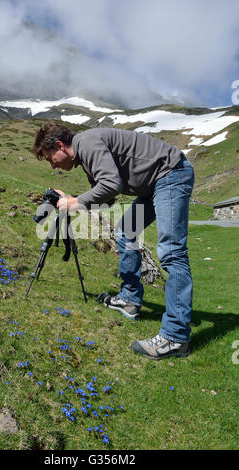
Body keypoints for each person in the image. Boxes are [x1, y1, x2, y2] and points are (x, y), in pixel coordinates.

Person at [32, 121, 195, 360]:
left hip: (170, 174)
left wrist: (74, 203)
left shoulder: (86, 143)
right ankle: (129, 299)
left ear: (59, 145)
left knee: (172, 252)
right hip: (153, 186)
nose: (52, 165)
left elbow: (111, 184)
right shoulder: (86, 157)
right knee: (124, 233)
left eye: (50, 158)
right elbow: (108, 198)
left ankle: (176, 336)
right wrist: (71, 198)